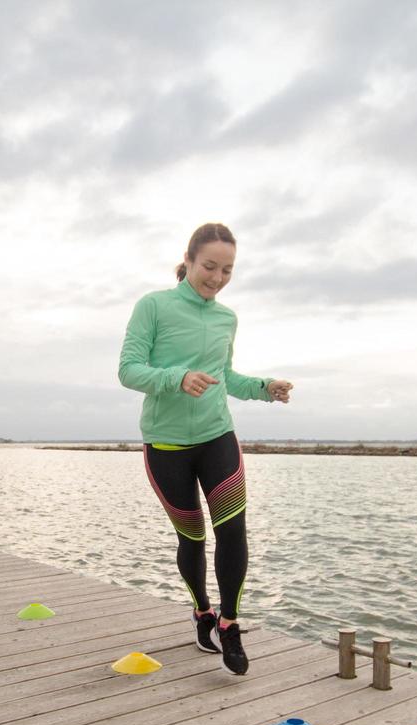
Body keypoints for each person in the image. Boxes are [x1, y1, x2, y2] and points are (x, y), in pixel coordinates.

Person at [118, 223, 292, 675]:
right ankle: (202, 612)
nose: (217, 278)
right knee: (191, 538)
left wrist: (263, 387)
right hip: (166, 445)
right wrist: (176, 377)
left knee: (233, 531)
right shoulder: (153, 306)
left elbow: (226, 376)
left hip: (218, 436)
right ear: (190, 260)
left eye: (227, 270)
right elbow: (129, 370)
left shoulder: (226, 318)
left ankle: (230, 623)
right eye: (209, 267)